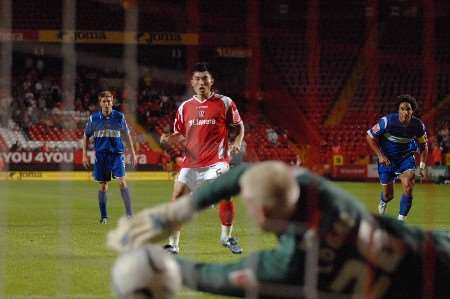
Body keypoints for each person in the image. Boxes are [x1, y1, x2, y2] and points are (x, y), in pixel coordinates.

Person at [108, 161, 450, 299]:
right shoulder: (325, 195)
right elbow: (247, 172)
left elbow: (214, 276)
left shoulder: (291, 265)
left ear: (259, 212)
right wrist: (181, 209)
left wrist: (155, 265)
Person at [159, 62, 245, 254]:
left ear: (211, 81)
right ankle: (173, 245)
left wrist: (237, 141)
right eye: (197, 79)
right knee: (176, 199)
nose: (201, 82)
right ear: (192, 82)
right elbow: (179, 134)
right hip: (191, 163)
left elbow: (239, 126)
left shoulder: (225, 102)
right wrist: (169, 139)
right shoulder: (184, 107)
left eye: (205, 79)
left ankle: (227, 237)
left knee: (225, 194)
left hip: (217, 161)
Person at [366, 95, 428, 221]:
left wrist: (421, 166)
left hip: (406, 158)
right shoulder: (386, 121)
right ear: (398, 110)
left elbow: (423, 146)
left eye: (408, 109)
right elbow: (369, 136)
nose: (405, 112)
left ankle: (400, 221)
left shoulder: (418, 125)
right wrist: (380, 155)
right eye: (403, 109)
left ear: (412, 111)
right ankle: (383, 202)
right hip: (387, 160)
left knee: (408, 185)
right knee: (388, 196)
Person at [82, 90, 137, 224]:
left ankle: (130, 215)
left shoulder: (119, 117)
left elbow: (127, 135)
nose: (107, 103)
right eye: (104, 101)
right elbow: (86, 136)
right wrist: (84, 154)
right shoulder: (93, 118)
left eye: (109, 101)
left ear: (112, 101)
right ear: (100, 103)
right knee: (103, 186)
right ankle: (104, 217)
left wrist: (133, 152)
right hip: (101, 156)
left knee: (122, 182)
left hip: (117, 155)